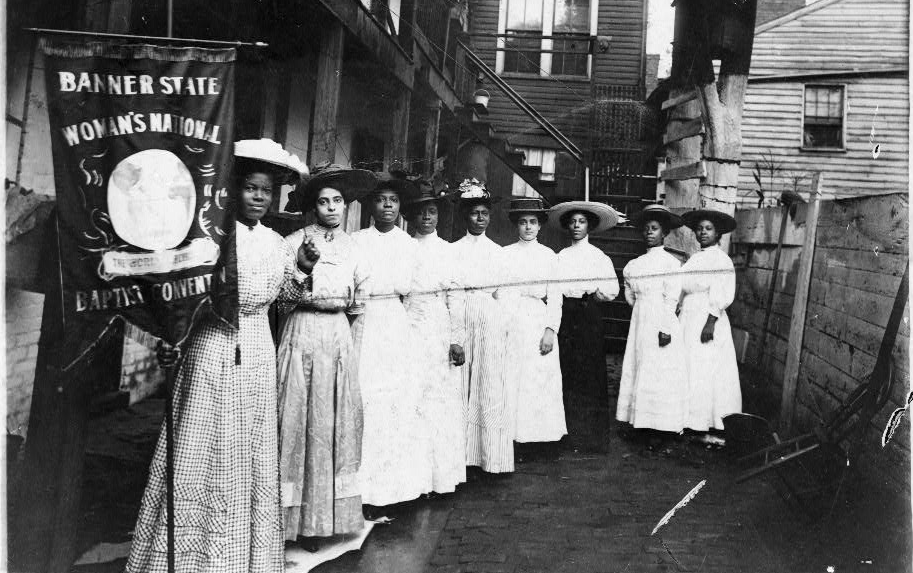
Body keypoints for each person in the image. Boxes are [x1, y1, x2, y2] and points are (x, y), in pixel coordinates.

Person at [126, 139, 312, 573]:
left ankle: (242, 559)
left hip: (258, 351)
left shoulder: (277, 243)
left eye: (266, 191)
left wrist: (302, 268)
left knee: (248, 450)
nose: (259, 198)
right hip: (212, 347)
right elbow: (182, 295)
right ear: (235, 189)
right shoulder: (212, 236)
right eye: (250, 188)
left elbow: (284, 300)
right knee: (202, 443)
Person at [276, 163, 376, 546]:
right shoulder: (293, 243)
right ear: (312, 206)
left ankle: (324, 519)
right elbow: (283, 299)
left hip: (337, 336)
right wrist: (303, 270)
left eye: (337, 201)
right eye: (323, 202)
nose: (332, 208)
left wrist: (348, 348)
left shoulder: (355, 248)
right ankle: (292, 522)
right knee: (297, 419)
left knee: (330, 424)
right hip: (301, 330)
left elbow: (360, 304)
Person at [350, 173, 432, 512]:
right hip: (365, 322)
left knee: (397, 402)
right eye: (381, 199)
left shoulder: (410, 245)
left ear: (399, 207)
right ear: (370, 205)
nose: (387, 205)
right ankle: (362, 490)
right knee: (365, 398)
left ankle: (397, 490)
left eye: (393, 200)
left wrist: (409, 336)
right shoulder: (355, 241)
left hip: (396, 326)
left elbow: (417, 297)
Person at [403, 181, 467, 494]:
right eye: (421, 212)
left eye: (432, 212)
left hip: (439, 326)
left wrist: (456, 338)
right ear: (412, 217)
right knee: (413, 397)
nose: (427, 217)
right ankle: (414, 480)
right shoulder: (404, 247)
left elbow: (455, 296)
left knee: (439, 398)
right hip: (411, 324)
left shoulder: (448, 251)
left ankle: (439, 478)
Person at [450, 178, 513, 475]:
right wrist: (455, 334)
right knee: (460, 383)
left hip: (489, 317)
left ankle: (488, 457)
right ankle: (460, 456)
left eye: (484, 213)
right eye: (474, 212)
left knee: (487, 383)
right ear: (466, 216)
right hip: (462, 313)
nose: (479, 218)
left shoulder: (498, 253)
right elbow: (452, 293)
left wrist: (502, 323)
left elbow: (506, 294)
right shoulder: (453, 251)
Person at [616, 205, 689, 449]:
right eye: (646, 229)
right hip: (641, 320)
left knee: (659, 371)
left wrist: (666, 326)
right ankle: (640, 424)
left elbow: (672, 297)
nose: (649, 232)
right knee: (639, 367)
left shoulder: (670, 263)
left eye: (655, 228)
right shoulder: (635, 264)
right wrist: (638, 306)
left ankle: (661, 427)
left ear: (664, 233)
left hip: (661, 319)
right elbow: (629, 291)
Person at [549, 200, 620, 453]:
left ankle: (592, 437)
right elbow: (554, 290)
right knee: (567, 371)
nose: (577, 226)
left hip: (588, 315)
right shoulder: (560, 257)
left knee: (590, 374)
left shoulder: (598, 257)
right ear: (567, 226)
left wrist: (592, 296)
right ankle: (569, 433)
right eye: (573, 222)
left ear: (589, 226)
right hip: (567, 316)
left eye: (582, 222)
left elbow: (612, 289)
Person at [501, 197, 566, 461]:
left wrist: (551, 329)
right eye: (523, 222)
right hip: (513, 318)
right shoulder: (505, 254)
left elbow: (556, 296)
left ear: (540, 226)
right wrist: (502, 325)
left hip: (538, 318)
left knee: (540, 378)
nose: (528, 227)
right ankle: (514, 437)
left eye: (533, 222)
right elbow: (501, 293)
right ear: (516, 226)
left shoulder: (549, 256)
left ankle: (541, 438)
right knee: (513, 377)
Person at [679, 209, 742, 433]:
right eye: (700, 229)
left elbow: (722, 292)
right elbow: (683, 286)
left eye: (708, 229)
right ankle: (688, 418)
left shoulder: (721, 260)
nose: (703, 232)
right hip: (689, 316)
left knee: (705, 366)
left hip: (706, 317)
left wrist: (710, 322)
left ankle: (706, 419)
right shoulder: (695, 258)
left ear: (718, 234)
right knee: (689, 365)